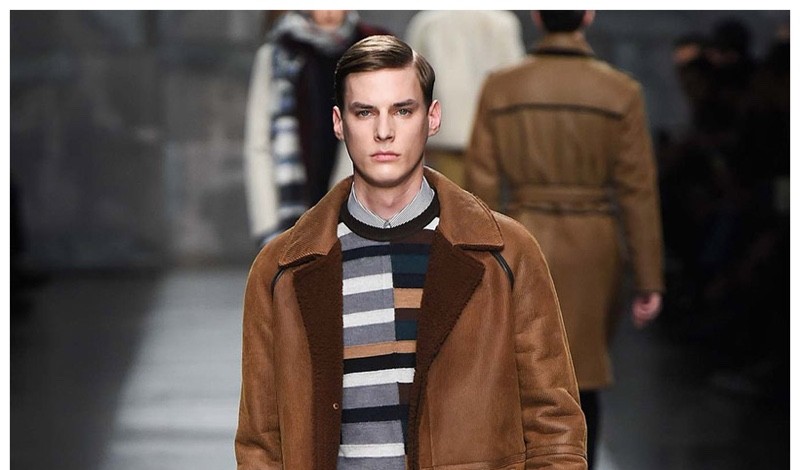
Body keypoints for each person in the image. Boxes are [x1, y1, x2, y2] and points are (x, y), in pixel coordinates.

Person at [235, 34, 588, 469]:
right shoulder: (281, 271)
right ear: (339, 123)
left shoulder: (506, 254)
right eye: (365, 112)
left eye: (403, 110)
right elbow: (260, 443)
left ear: (432, 117)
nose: (384, 131)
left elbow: (555, 427)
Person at [464, 11, 664, 468]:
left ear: (536, 16)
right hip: (595, 245)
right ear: (588, 16)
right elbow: (637, 191)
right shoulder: (620, 91)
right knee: (582, 374)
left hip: (521, 240)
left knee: (520, 372)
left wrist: (474, 268)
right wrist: (649, 277)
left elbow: (481, 186)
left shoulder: (501, 87)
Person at [242, 10, 389, 247]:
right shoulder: (278, 54)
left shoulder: (371, 50)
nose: (329, 11)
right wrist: (268, 227)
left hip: (358, 198)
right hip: (294, 202)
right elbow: (258, 144)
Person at [405, 10, 525, 187]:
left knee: (449, 199)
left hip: (444, 136)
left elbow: (411, 85)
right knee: (486, 201)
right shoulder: (503, 23)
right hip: (492, 137)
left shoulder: (427, 23)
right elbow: (514, 83)